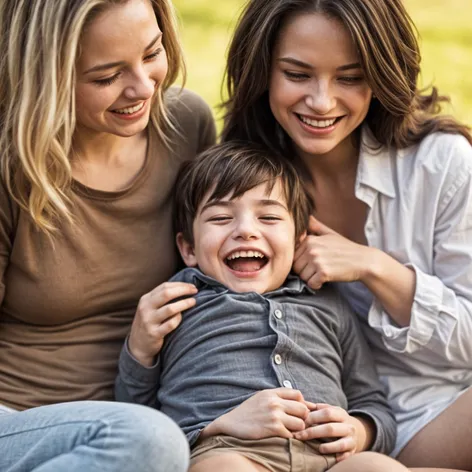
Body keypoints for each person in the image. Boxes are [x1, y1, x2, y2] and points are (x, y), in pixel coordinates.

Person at [221, 0, 472, 471]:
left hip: (448, 411)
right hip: (332, 431)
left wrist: (374, 267)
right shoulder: (243, 190)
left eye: (350, 78)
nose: (321, 101)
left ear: (381, 76)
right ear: (262, 72)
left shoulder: (443, 164)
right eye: (297, 74)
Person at [0, 0, 215, 470]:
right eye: (105, 77)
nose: (142, 87)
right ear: (47, 76)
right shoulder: (9, 166)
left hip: (151, 412)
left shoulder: (186, 128)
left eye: (152, 52)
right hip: (16, 421)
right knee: (148, 440)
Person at [116, 141, 414, 472]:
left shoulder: (328, 302)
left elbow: (374, 405)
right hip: (226, 448)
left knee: (377, 467)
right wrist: (140, 350)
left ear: (300, 240)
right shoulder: (179, 303)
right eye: (221, 217)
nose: (245, 230)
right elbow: (138, 418)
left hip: (329, 459)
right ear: (188, 248)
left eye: (269, 216)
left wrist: (358, 432)